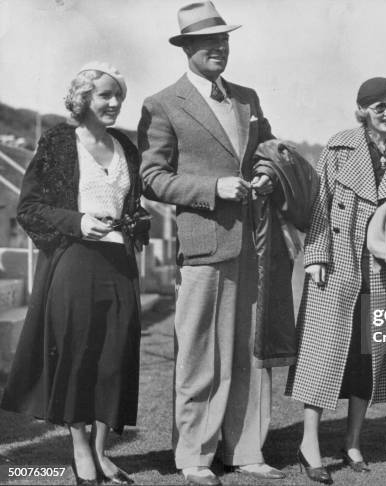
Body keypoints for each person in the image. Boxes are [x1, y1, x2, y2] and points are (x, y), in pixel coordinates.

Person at [137, 2, 284, 485]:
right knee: (200, 355)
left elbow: (268, 150)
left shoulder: (247, 98)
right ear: (187, 48)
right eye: (207, 41)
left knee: (248, 352)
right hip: (203, 246)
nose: (218, 48)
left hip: (253, 245)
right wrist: (212, 189)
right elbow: (152, 178)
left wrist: (264, 173)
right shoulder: (163, 104)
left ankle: (244, 451)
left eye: (224, 39)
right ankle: (195, 457)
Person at [0, 62, 149, 485]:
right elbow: (29, 208)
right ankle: (81, 452)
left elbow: (133, 207)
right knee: (78, 356)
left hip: (120, 265)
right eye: (105, 95)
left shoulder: (126, 147)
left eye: (118, 95)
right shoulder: (59, 143)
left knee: (114, 357)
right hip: (74, 264)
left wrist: (137, 223)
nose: (114, 103)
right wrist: (80, 221)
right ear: (82, 98)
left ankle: (103, 453)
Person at [285, 77, 386, 484]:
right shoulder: (338, 148)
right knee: (321, 354)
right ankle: (309, 444)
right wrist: (316, 256)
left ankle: (353, 441)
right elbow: (319, 206)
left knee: (367, 358)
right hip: (337, 265)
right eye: (380, 107)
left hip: (382, 271)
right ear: (363, 111)